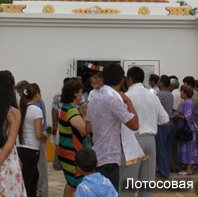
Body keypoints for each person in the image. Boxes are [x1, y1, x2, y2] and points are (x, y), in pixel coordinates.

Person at [86, 63, 139, 192]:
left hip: (97, 154)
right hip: (109, 157)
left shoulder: (93, 98)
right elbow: (134, 124)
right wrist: (128, 101)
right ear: (122, 80)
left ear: (103, 79)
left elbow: (88, 128)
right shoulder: (113, 100)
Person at [120, 66, 169, 197]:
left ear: (129, 79)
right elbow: (165, 120)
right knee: (147, 185)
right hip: (150, 140)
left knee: (128, 184)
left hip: (133, 140)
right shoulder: (152, 95)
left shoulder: (126, 97)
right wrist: (150, 122)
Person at [58, 78, 87, 197]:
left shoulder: (65, 108)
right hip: (72, 153)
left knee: (70, 184)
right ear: (75, 94)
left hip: (65, 150)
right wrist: (84, 115)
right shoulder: (72, 112)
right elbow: (84, 129)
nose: (81, 95)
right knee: (75, 186)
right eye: (80, 92)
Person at [18, 83, 47, 197]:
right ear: (36, 94)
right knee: (30, 181)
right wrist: (45, 138)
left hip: (21, 146)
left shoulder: (22, 109)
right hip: (32, 148)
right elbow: (38, 134)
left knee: (31, 177)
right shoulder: (36, 110)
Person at [176, 86, 198, 175]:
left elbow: (188, 117)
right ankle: (187, 167)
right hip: (185, 128)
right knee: (187, 148)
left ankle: (189, 169)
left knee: (189, 149)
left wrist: (178, 116)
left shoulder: (188, 103)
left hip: (187, 128)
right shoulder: (186, 102)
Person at [155, 75, 174, 179]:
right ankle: (166, 169)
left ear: (161, 83)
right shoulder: (170, 94)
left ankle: (163, 172)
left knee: (161, 148)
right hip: (170, 121)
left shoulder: (159, 95)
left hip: (162, 123)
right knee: (167, 148)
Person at [52, 77, 71, 171]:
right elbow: (54, 110)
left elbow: (54, 110)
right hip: (67, 122)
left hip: (62, 122)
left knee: (59, 142)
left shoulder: (58, 96)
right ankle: (59, 164)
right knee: (61, 143)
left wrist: (55, 123)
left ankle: (58, 164)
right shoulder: (60, 96)